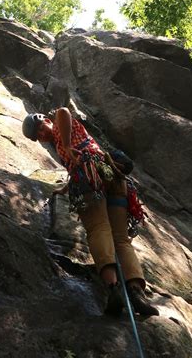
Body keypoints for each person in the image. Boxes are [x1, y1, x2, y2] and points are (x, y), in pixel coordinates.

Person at [22, 108, 158, 317]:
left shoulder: (60, 127)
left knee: (98, 229)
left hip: (89, 178)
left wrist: (66, 145)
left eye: (41, 128)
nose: (42, 135)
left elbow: (64, 111)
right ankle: (136, 292)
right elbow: (76, 162)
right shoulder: (61, 142)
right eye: (38, 136)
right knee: (121, 239)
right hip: (110, 175)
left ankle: (114, 290)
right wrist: (65, 188)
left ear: (47, 121)